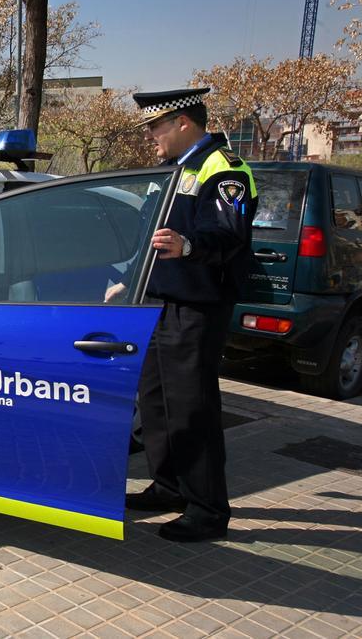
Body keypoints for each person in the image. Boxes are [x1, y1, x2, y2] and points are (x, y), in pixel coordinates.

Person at [120, 87, 257, 542]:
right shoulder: (170, 169)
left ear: (183, 122)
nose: (151, 136)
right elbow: (146, 234)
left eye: (156, 127)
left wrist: (190, 246)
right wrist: (126, 277)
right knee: (156, 403)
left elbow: (229, 231)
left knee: (191, 409)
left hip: (196, 307)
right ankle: (168, 487)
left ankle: (208, 509)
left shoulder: (225, 169)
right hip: (155, 302)